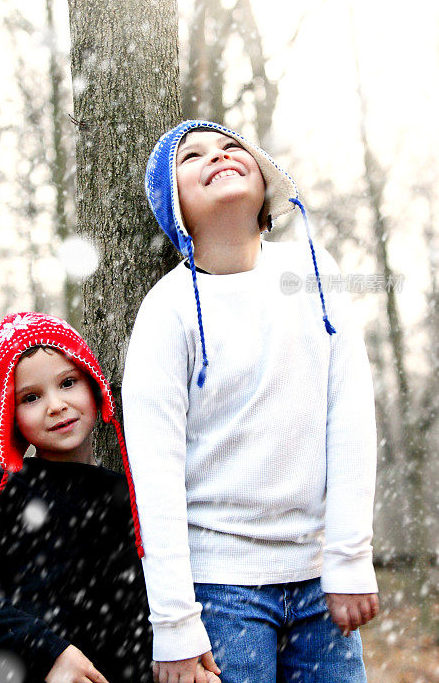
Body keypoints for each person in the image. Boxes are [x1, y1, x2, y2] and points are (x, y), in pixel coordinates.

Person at [122, 120, 380, 683]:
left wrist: (349, 555)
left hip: (320, 579)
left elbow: (352, 418)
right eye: (193, 156)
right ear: (176, 207)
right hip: (219, 590)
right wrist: (173, 624)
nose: (217, 155)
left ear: (264, 179)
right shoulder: (166, 313)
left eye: (230, 146)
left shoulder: (315, 272)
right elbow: (155, 477)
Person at [0, 311, 153, 683]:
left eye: (68, 382)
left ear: (94, 384)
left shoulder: (127, 494)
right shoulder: (3, 491)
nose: (55, 405)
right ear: (12, 417)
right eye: (31, 397)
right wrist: (52, 653)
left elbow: (142, 603)